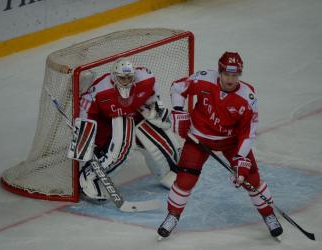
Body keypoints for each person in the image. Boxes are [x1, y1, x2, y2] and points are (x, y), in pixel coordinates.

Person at [157, 51, 283, 238]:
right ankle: (172, 216)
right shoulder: (204, 79)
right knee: (185, 179)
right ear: (220, 72)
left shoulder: (248, 97)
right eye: (226, 74)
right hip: (198, 138)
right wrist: (177, 109)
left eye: (234, 75)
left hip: (231, 143)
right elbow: (178, 87)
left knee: (251, 179)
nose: (230, 79)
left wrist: (241, 158)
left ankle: (269, 215)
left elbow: (248, 131)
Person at [69, 58, 179, 203]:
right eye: (122, 77)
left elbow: (153, 96)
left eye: (129, 77)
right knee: (121, 151)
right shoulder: (101, 90)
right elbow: (85, 108)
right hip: (108, 127)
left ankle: (167, 173)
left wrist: (156, 109)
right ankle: (88, 177)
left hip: (135, 116)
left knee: (165, 142)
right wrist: (86, 132)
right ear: (114, 76)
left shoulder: (145, 79)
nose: (126, 81)